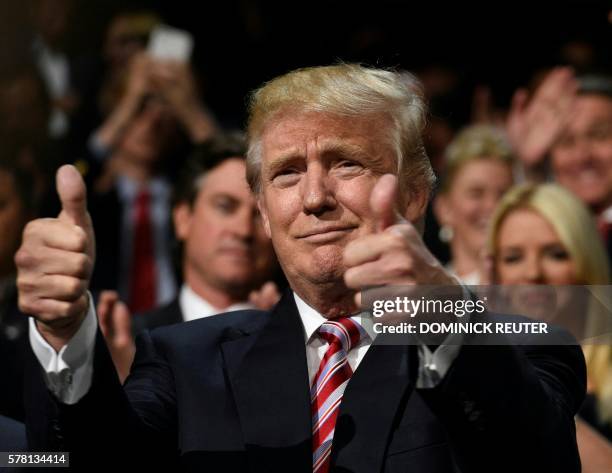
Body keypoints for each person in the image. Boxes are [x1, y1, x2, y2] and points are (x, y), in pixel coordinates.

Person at [17, 64, 585, 472]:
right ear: (263, 211)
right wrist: (64, 333)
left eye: (346, 164)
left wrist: (439, 313)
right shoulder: (185, 361)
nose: (314, 197)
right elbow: (85, 464)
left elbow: (531, 455)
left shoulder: (525, 344)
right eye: (287, 173)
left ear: (414, 194)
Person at [98, 133, 281, 382]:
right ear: (183, 218)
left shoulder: (300, 338)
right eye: (225, 206)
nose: (243, 230)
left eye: (260, 214)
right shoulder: (127, 342)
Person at [487, 183, 612, 470]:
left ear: (586, 261)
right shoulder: (472, 371)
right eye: (513, 258)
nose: (533, 273)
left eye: (555, 254)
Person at [433, 125, 514, 283]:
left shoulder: (528, 282)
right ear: (445, 209)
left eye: (503, 195)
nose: (493, 206)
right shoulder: (427, 292)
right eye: (476, 194)